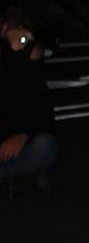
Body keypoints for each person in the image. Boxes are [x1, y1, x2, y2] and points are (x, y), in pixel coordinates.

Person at [0, 21, 56, 184]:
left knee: (44, 146)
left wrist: (24, 134)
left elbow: (42, 108)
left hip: (17, 140)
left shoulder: (15, 59)